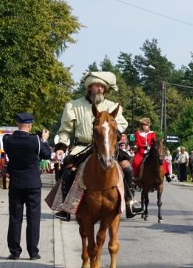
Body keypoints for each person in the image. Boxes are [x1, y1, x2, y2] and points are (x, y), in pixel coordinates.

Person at [53, 71, 141, 219]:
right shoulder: (74, 105)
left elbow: (120, 125)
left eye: (102, 86)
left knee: (127, 169)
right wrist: (61, 147)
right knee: (68, 171)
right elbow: (65, 130)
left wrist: (116, 133)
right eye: (97, 86)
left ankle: (130, 201)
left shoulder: (113, 106)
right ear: (89, 87)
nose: (100, 89)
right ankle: (65, 208)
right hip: (82, 146)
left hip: (108, 146)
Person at [3, 113, 52, 260]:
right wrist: (44, 140)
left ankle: (14, 251)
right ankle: (33, 252)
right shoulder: (35, 140)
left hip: (16, 183)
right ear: (30, 125)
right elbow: (47, 155)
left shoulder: (7, 139)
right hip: (33, 183)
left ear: (17, 124)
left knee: (15, 217)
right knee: (33, 218)